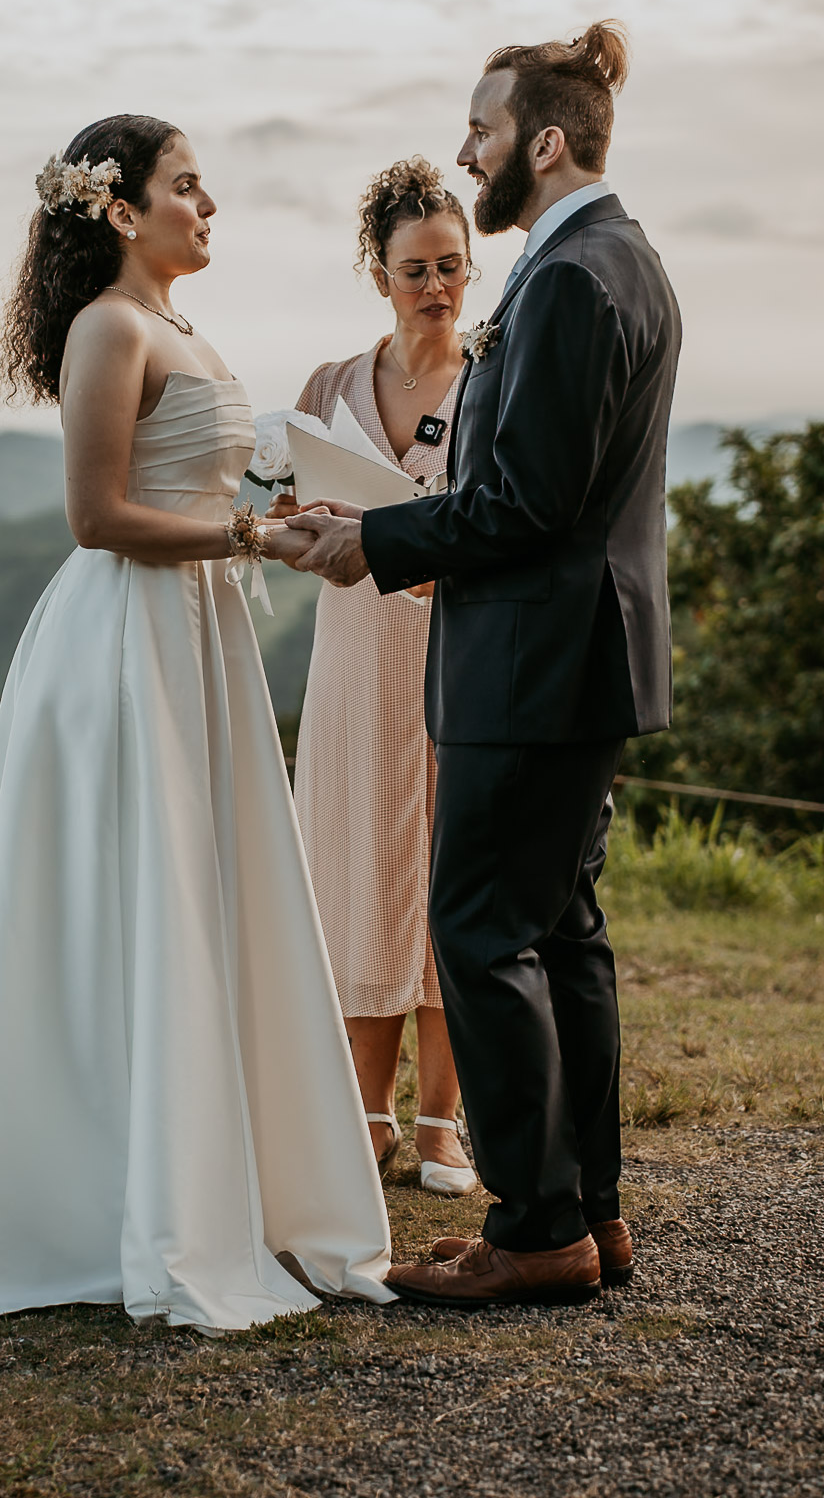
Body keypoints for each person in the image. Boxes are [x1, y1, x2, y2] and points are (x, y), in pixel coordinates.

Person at [0, 115, 394, 1333]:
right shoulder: (108, 327)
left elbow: (215, 490)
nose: (209, 202)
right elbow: (97, 515)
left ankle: (229, 1178)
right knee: (138, 897)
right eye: (187, 185)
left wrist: (282, 518)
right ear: (121, 210)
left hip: (201, 635)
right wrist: (250, 535)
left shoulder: (180, 328)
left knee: (205, 892)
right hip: (126, 642)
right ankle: (100, 1198)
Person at [286, 23, 681, 1307]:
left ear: (545, 141)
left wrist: (374, 542)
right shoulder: (624, 262)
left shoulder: (571, 277)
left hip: (534, 659)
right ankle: (588, 1213)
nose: (469, 150)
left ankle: (535, 1227)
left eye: (484, 129)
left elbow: (522, 504)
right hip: (579, 658)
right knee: (562, 933)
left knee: (477, 926)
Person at [269, 157, 477, 1197]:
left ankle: (444, 1122)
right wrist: (284, 530)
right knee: (356, 871)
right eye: (415, 270)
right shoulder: (328, 388)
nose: (435, 287)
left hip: (455, 654)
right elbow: (288, 510)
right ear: (378, 272)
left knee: (446, 878)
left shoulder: (492, 384)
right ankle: (368, 1113)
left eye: (451, 267)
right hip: (354, 658)